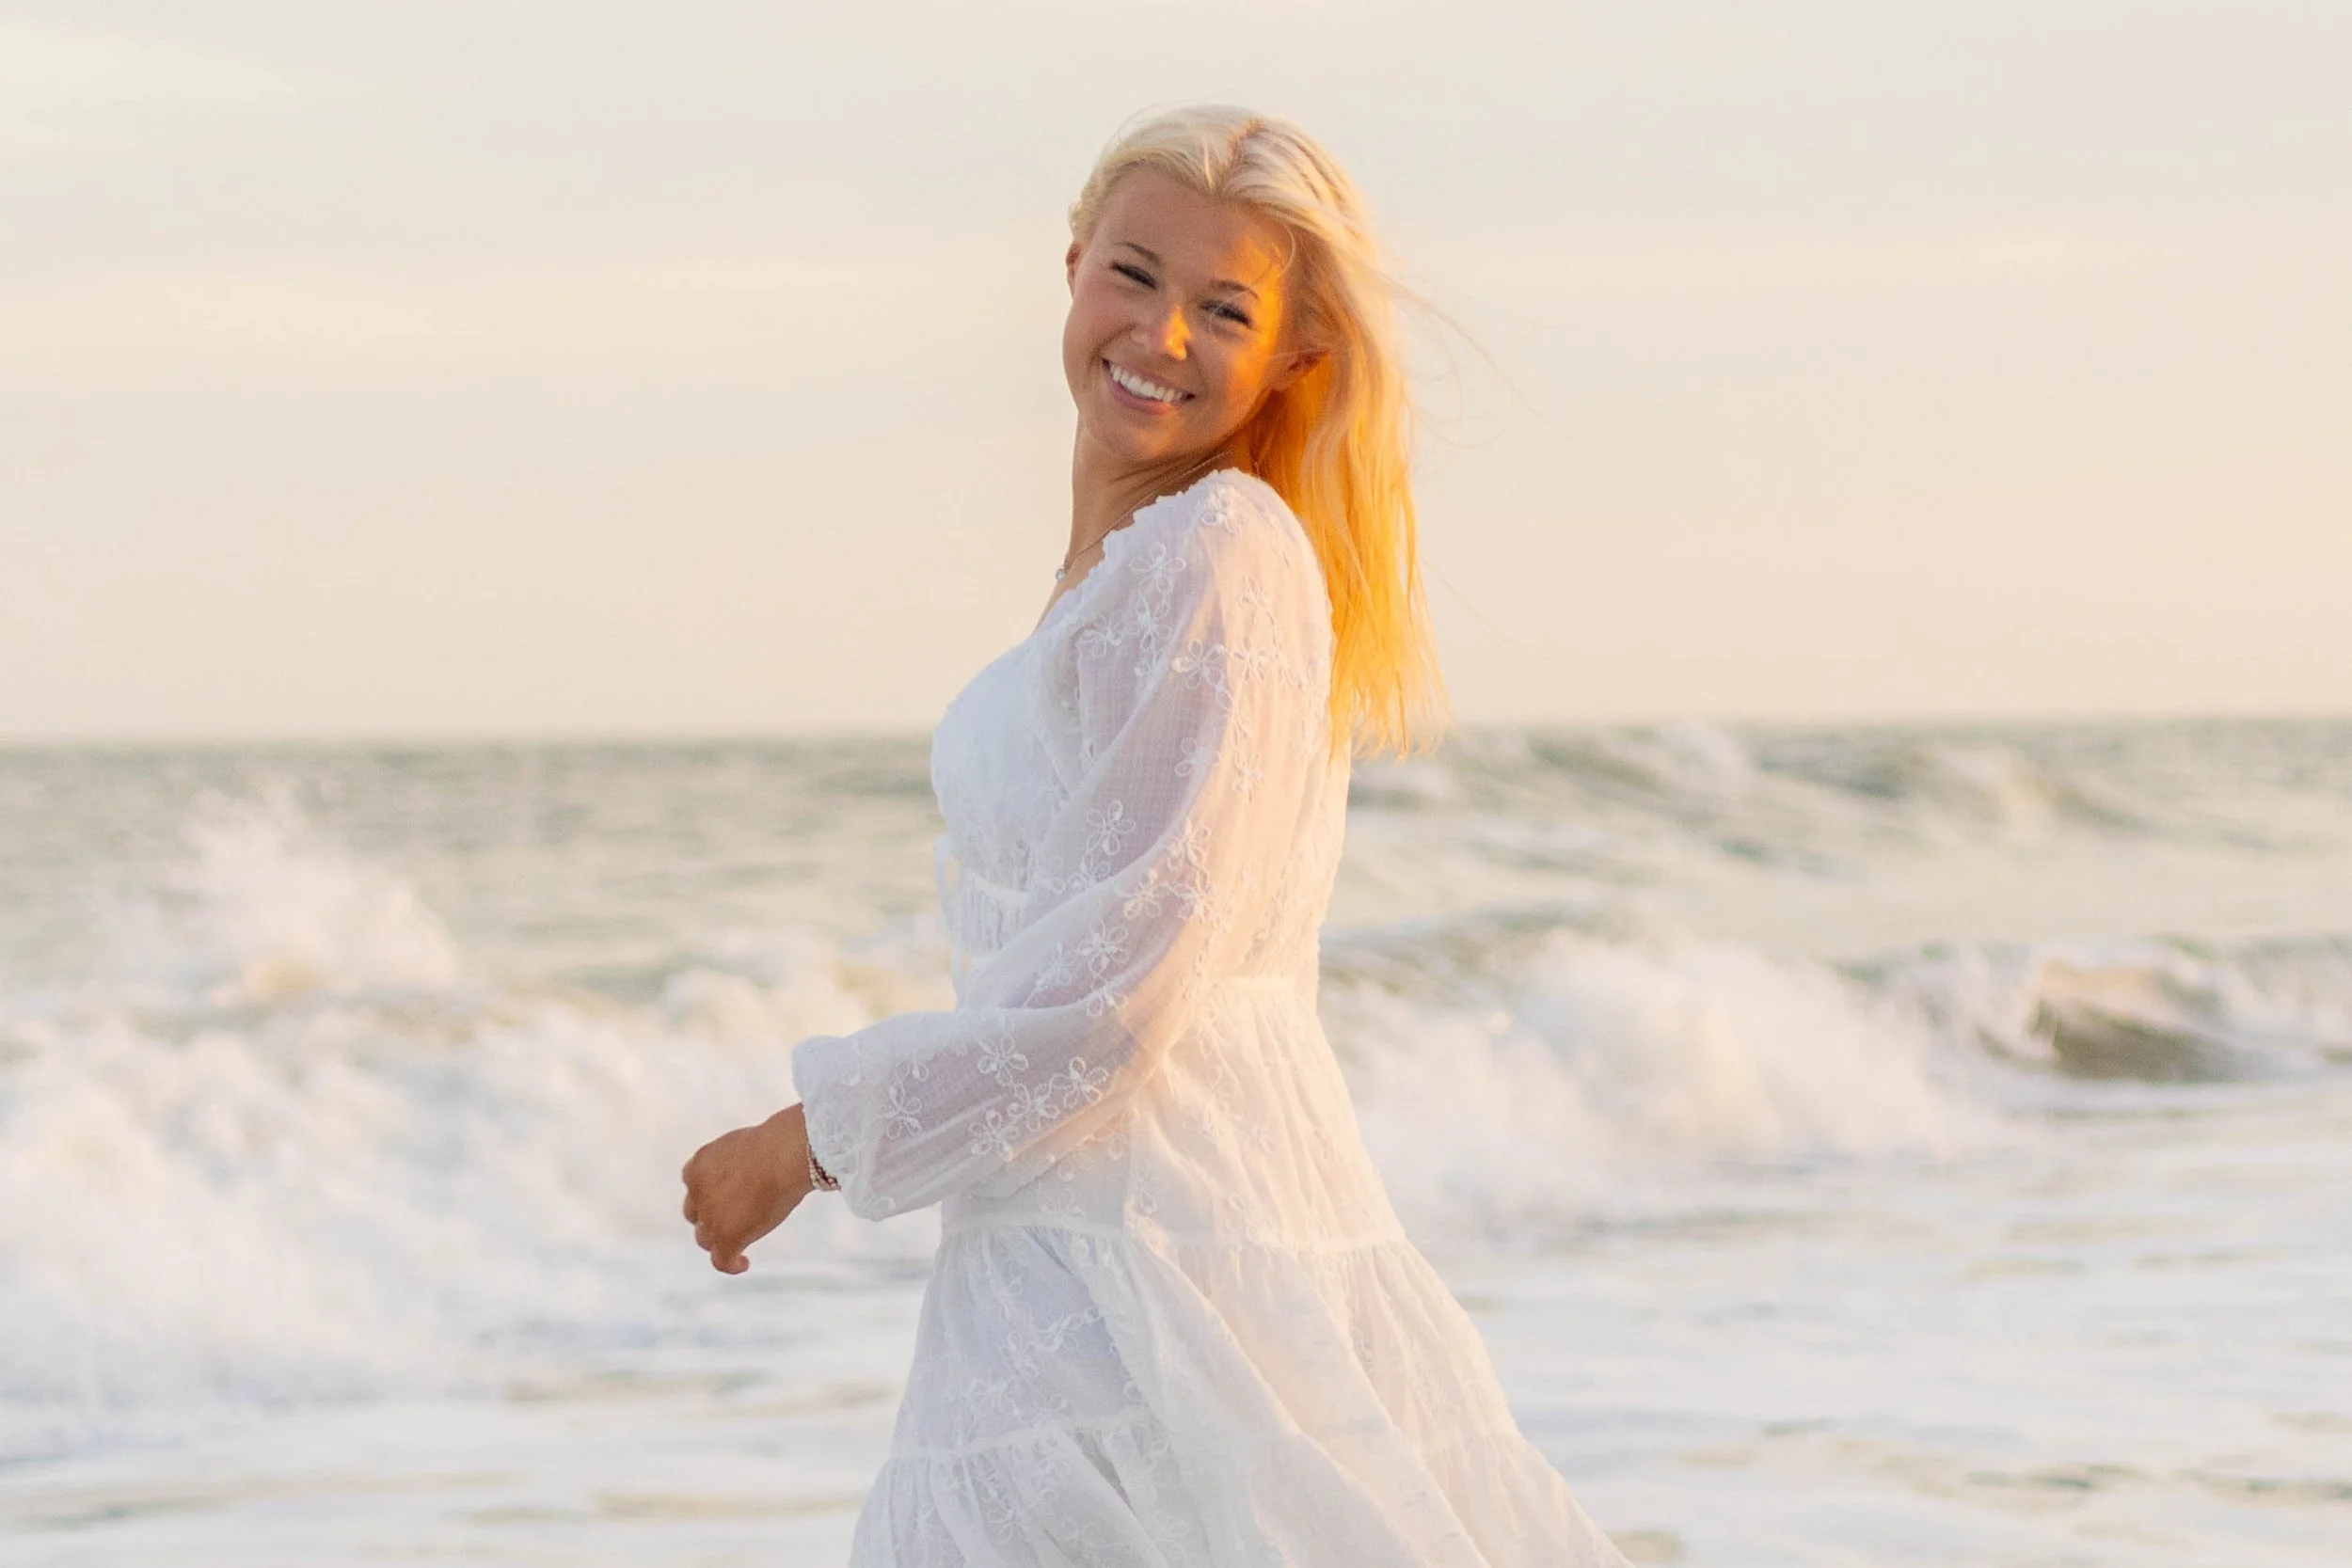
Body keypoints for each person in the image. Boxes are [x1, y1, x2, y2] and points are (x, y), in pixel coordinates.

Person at [680, 104, 1633, 1567]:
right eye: (1133, 275)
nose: (1162, 333)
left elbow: (1118, 991)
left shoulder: (1217, 555)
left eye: (1223, 309)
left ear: (1293, 356)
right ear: (1071, 269)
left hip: (1156, 1262)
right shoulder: (1133, 568)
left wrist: (809, 1139)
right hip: (1074, 1257)